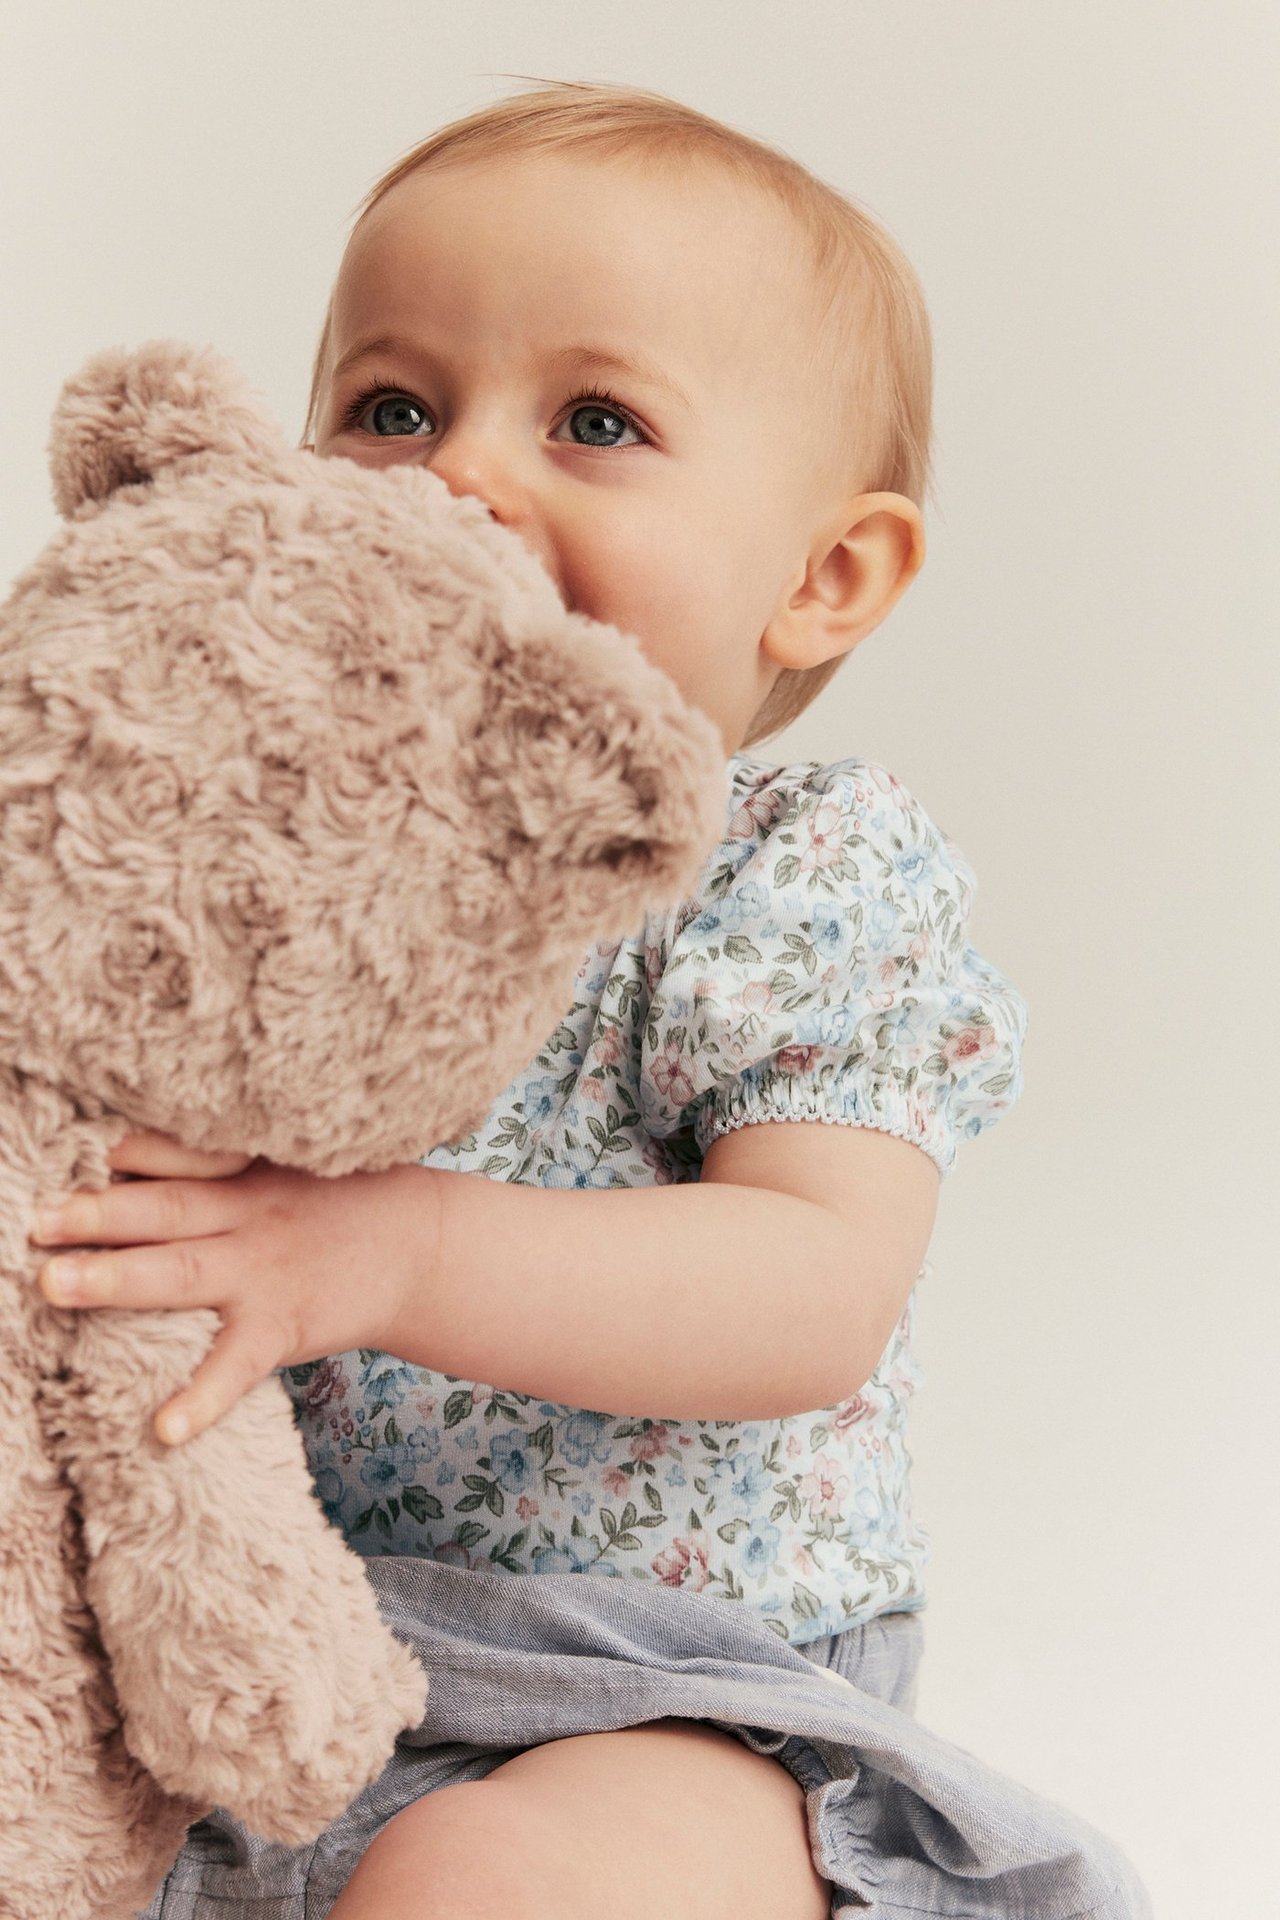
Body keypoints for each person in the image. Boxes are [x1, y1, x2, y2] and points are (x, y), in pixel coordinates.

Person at [32, 80, 1151, 1920]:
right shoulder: (245, 847)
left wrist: (390, 1253)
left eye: (597, 421)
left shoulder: (793, 867)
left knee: (500, 1886)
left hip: (653, 1689)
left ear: (824, 576)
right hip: (232, 1646)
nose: (462, 475)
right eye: (392, 408)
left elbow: (814, 1288)